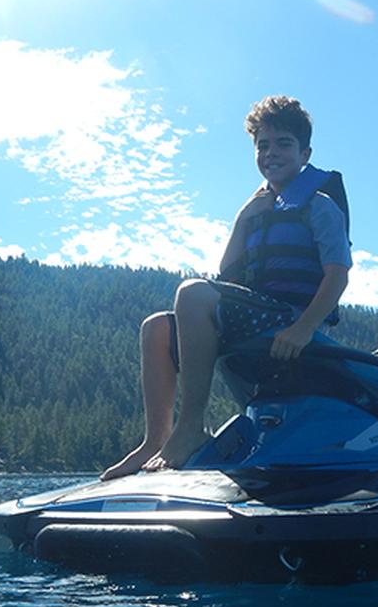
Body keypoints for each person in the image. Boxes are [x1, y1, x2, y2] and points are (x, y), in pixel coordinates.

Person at [100, 95, 351, 480]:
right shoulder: (256, 209)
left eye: (283, 143)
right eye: (262, 145)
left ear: (305, 152)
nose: (271, 153)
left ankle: (192, 429)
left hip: (291, 320)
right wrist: (241, 219)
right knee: (156, 327)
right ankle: (155, 439)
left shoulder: (319, 206)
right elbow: (228, 274)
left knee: (191, 292)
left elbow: (338, 274)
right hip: (255, 313)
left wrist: (303, 328)